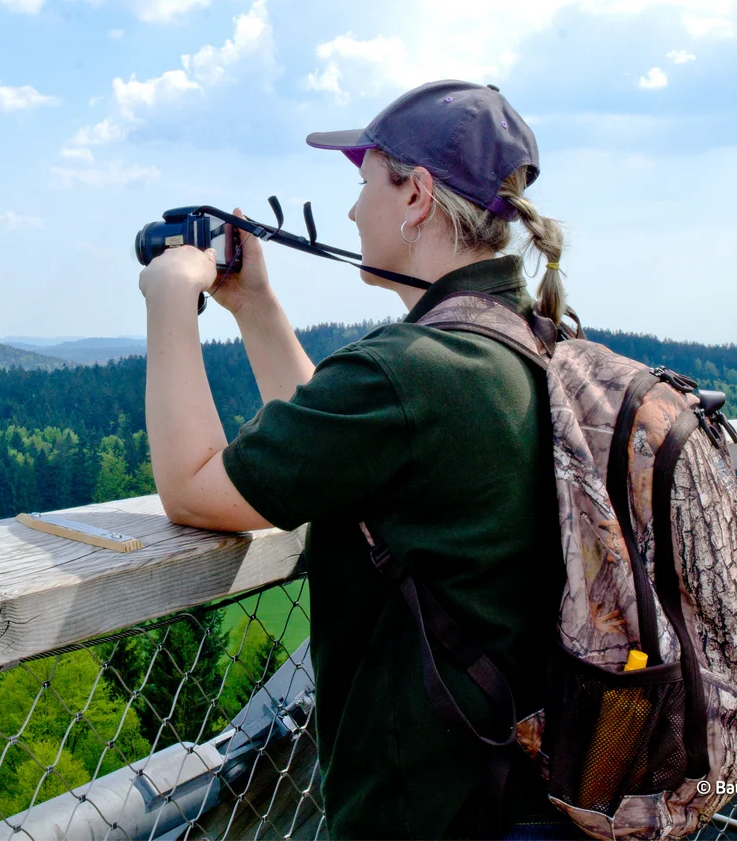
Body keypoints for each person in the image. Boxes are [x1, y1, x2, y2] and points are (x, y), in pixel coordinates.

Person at [136, 80, 576, 838]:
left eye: (366, 181)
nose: (349, 210)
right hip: (520, 793)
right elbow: (343, 445)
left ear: (416, 198)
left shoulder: (412, 370)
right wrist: (255, 306)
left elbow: (193, 487)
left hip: (428, 812)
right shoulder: (517, 342)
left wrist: (171, 298)